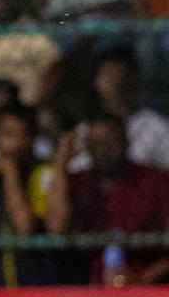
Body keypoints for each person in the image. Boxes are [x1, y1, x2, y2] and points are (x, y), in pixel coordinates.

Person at [48, 115, 169, 286]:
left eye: (111, 141)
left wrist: (143, 279)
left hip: (150, 288)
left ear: (126, 142)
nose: (104, 149)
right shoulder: (77, 183)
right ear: (87, 147)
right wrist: (61, 163)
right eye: (96, 143)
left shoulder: (155, 181)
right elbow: (55, 229)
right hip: (86, 289)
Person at [0, 103, 57, 288]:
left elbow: (25, 229)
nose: (18, 143)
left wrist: (10, 174)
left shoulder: (45, 174)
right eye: (9, 135)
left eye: (24, 135)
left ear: (34, 137)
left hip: (38, 291)